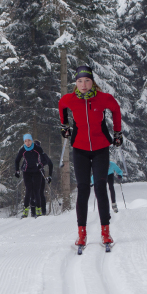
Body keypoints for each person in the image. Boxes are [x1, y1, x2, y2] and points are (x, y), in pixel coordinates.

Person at [59, 64, 123, 247]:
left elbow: (116, 109)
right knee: (83, 189)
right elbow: (61, 105)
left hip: (101, 148)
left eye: (87, 80)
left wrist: (118, 133)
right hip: (80, 149)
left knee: (100, 188)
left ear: (92, 81)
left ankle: (105, 232)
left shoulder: (103, 98)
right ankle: (82, 233)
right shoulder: (70, 99)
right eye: (80, 81)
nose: (84, 84)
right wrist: (64, 126)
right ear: (76, 83)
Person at [15, 134, 52, 218]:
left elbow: (44, 159)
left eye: (29, 140)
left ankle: (38, 210)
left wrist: (41, 164)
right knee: (28, 190)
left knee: (36, 191)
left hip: (37, 171)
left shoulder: (37, 148)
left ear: (31, 140)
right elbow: (17, 160)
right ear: (24, 142)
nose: (27, 143)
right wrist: (17, 171)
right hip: (26, 172)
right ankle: (25, 212)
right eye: (25, 141)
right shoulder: (23, 150)